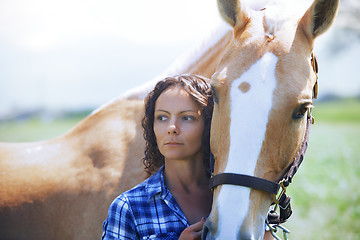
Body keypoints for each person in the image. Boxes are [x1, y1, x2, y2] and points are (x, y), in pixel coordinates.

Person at [102, 74, 214, 240]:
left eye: (187, 117)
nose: (171, 128)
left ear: (210, 124)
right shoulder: (129, 207)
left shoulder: (234, 197)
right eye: (162, 117)